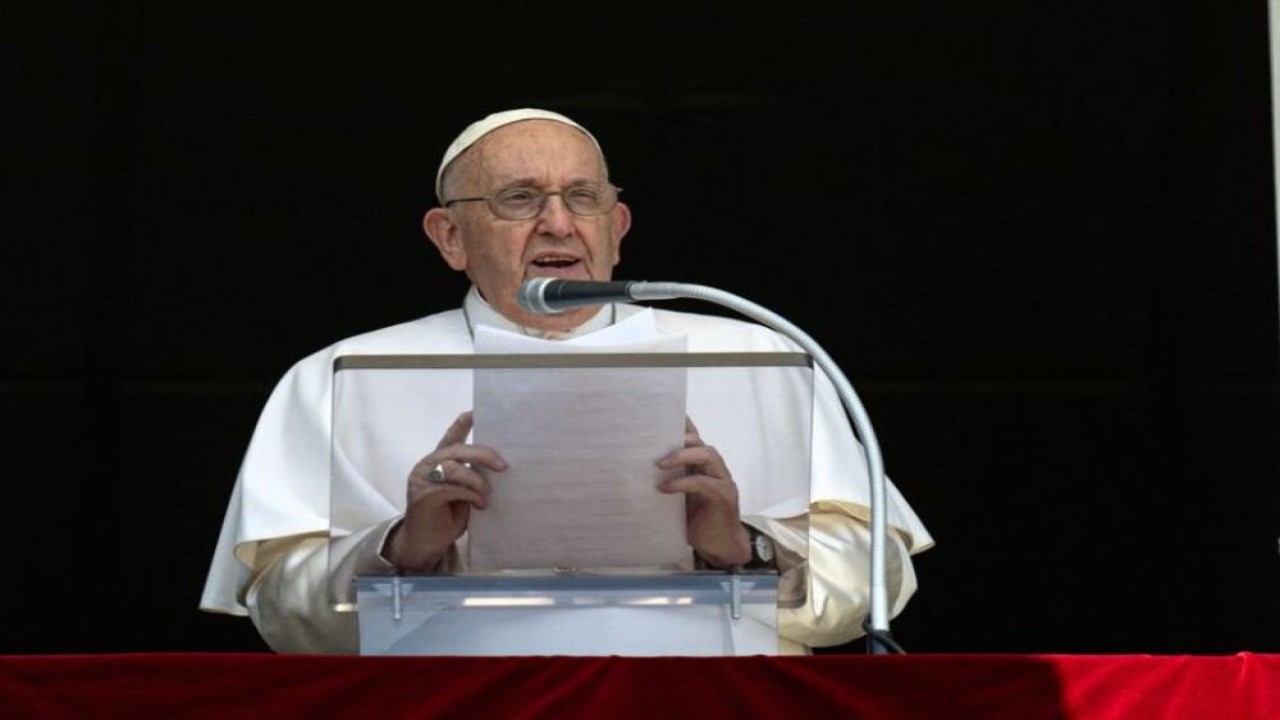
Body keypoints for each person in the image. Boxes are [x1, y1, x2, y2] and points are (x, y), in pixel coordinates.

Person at [199, 108, 934, 655]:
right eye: (518, 199)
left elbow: (877, 580)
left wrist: (744, 545)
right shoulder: (340, 377)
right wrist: (402, 548)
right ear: (449, 237)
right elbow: (281, 613)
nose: (556, 223)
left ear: (616, 225)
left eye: (581, 199)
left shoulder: (763, 356)